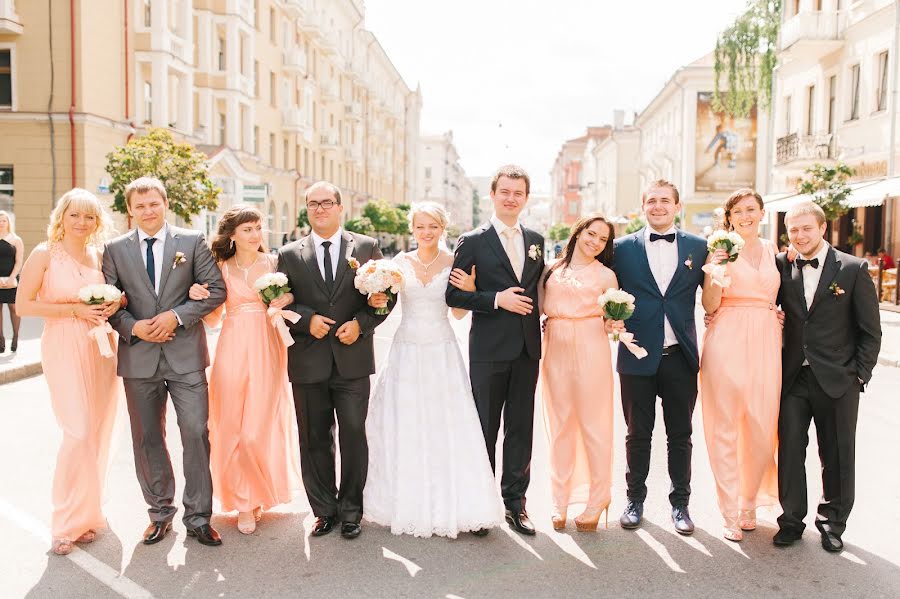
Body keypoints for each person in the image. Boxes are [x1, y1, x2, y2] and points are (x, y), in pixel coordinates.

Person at [363, 202, 503, 538]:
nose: (426, 233)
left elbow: (456, 314)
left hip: (441, 350)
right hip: (406, 350)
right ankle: (403, 500)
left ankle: (465, 504)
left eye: (433, 227)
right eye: (421, 226)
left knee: (449, 425)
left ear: (443, 229)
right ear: (413, 229)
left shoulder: (454, 263)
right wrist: (374, 298)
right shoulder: (397, 264)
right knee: (405, 422)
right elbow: (386, 305)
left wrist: (469, 291)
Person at [103, 176, 226, 547]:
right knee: (147, 437)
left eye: (153, 203)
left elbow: (216, 290)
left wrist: (176, 316)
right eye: (140, 206)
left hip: (186, 355)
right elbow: (107, 303)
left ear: (165, 203)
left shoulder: (191, 241)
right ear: (130, 210)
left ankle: (199, 516)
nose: (148, 211)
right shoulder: (114, 250)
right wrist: (134, 326)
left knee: (195, 432)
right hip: (138, 358)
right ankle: (159, 513)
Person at [277, 180, 390, 540]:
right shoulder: (289, 254)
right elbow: (281, 303)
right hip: (308, 361)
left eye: (327, 203)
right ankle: (324, 510)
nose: (320, 209)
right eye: (313, 204)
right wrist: (306, 319)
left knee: (354, 434)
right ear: (306, 209)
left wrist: (361, 324)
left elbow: (385, 296)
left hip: (352, 359)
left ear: (341, 208)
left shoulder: (367, 247)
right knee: (314, 438)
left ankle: (352, 509)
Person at [15, 189, 121, 555]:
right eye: (75, 215)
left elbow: (117, 295)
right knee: (76, 430)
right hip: (62, 343)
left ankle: (87, 514)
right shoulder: (44, 254)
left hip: (101, 346)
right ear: (61, 216)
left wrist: (113, 302)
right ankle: (63, 522)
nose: (81, 222)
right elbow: (23, 305)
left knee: (97, 429)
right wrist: (75, 310)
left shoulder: (99, 255)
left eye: (89, 217)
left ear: (97, 222)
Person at [774, 201, 881, 553]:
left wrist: (859, 376)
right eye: (794, 230)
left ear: (823, 228)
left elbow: (870, 331)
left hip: (838, 378)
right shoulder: (781, 266)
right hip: (793, 378)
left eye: (806, 228)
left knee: (836, 453)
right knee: (790, 449)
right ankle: (791, 520)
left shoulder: (852, 268)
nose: (800, 235)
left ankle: (832, 521)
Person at [188, 205, 300, 534]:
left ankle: (259, 493)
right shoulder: (220, 268)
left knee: (256, 430)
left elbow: (293, 295)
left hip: (268, 346)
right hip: (232, 347)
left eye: (258, 228)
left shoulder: (274, 264)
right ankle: (243, 502)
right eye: (248, 229)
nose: (255, 235)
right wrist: (198, 295)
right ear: (233, 235)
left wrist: (286, 299)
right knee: (229, 424)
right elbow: (211, 318)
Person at [446, 164, 545, 536]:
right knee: (484, 429)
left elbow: (538, 287)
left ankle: (515, 505)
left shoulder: (535, 239)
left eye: (518, 193)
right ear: (492, 194)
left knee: (521, 430)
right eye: (505, 191)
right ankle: (480, 505)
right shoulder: (472, 240)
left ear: (525, 198)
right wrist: (495, 299)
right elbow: (454, 295)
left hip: (526, 350)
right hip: (488, 350)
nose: (511, 198)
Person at [612, 179, 708, 535]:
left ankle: (680, 504)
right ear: (643, 207)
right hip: (636, 355)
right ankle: (634, 500)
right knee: (638, 433)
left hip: (680, 356)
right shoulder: (621, 248)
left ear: (677, 206)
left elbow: (719, 288)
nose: (658, 206)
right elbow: (597, 283)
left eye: (665, 200)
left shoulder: (699, 247)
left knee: (680, 435)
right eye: (651, 200)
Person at [700, 189, 780, 542]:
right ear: (729, 217)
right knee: (726, 424)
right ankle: (730, 510)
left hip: (766, 339)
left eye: (751, 209)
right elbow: (709, 303)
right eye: (738, 211)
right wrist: (716, 269)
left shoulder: (774, 251)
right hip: (728, 335)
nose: (745, 216)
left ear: (762, 213)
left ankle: (750, 500)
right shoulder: (720, 251)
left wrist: (781, 315)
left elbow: (785, 295)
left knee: (763, 424)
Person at [540, 214, 619, 532]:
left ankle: (598, 497)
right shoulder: (551, 270)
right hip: (555, 346)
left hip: (591, 346)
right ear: (579, 232)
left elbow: (612, 320)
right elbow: (540, 307)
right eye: (592, 233)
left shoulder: (607, 276)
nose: (595, 242)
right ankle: (560, 497)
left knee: (593, 425)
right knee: (560, 425)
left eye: (603, 239)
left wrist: (615, 323)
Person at [0, 210, 23, 352]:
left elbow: (19, 261)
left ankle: (15, 338)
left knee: (14, 308)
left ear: (8, 223)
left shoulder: (16, 239)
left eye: (4, 221)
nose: (1, 223)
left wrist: (11, 277)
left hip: (12, 278)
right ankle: (0, 341)